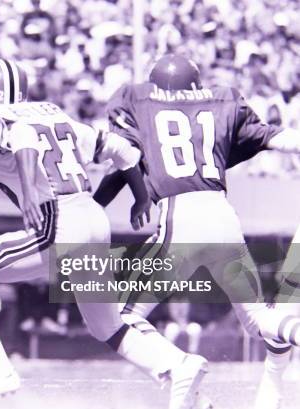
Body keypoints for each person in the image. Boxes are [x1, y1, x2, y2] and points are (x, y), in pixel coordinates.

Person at [0, 58, 209, 408]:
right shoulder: (55, 115)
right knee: (107, 326)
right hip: (94, 218)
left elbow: (22, 136)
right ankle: (178, 365)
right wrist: (142, 199)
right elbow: (122, 150)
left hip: (59, 219)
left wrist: (29, 193)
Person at [96, 53, 300, 409]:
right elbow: (276, 138)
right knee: (259, 320)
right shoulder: (221, 101)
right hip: (222, 215)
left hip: (180, 216)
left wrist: (98, 205)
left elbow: (124, 157)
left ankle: (179, 366)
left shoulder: (139, 100)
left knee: (121, 315)